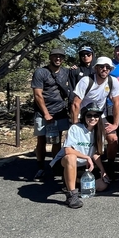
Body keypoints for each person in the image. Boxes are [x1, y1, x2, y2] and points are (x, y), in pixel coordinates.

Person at [71, 56, 119, 178]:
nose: (104, 69)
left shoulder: (112, 81)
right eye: (102, 67)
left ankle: (109, 166)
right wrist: (75, 124)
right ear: (96, 68)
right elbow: (76, 103)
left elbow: (116, 103)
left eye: (107, 67)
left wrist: (115, 124)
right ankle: (77, 168)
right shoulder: (86, 81)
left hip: (100, 114)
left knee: (113, 139)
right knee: (80, 142)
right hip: (83, 115)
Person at [51, 106, 109, 208]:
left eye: (96, 115)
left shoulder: (99, 131)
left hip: (82, 166)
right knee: (71, 157)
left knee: (102, 185)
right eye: (89, 115)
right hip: (64, 163)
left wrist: (103, 170)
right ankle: (72, 195)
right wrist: (87, 157)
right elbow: (68, 150)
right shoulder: (76, 128)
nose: (92, 118)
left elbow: (95, 154)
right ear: (83, 116)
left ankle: (74, 182)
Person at [31, 47, 71, 179]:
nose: (58, 58)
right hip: (43, 111)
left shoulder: (66, 71)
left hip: (59, 110)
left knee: (56, 140)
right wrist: (46, 113)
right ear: (50, 57)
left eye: (60, 56)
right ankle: (40, 167)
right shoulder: (41, 72)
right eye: (55, 56)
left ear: (63, 58)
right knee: (41, 140)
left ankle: (55, 166)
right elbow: (37, 95)